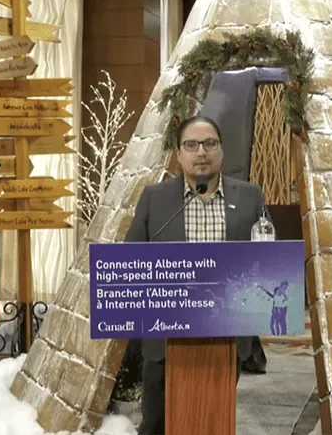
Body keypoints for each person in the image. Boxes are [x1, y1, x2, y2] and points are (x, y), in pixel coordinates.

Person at [124, 115, 267, 435]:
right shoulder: (154, 199)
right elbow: (130, 262)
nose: (201, 151)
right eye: (191, 144)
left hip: (225, 340)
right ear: (179, 154)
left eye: (209, 143)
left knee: (212, 423)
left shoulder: (250, 198)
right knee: (156, 427)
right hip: (164, 341)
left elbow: (266, 266)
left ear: (221, 151)